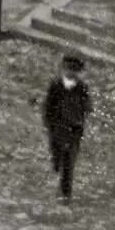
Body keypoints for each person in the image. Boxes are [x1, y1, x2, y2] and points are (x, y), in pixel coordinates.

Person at [43, 54, 92, 201]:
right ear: (63, 69)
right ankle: (56, 161)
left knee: (69, 160)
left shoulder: (82, 88)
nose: (71, 73)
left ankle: (65, 192)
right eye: (68, 69)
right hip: (57, 127)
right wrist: (49, 122)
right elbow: (48, 106)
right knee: (57, 151)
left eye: (74, 70)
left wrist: (81, 116)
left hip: (73, 129)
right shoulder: (56, 85)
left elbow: (87, 106)